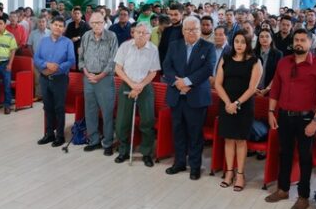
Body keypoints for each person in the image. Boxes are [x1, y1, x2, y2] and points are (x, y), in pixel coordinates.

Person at [265, 29, 316, 209]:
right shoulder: (283, 63)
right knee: (284, 154)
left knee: (305, 158)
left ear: (311, 43)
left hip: (307, 119)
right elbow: (275, 90)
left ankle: (303, 196)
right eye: (296, 40)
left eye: (303, 40)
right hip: (284, 116)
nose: (299, 43)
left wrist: (315, 122)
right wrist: (271, 112)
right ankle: (283, 189)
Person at [162, 16, 216, 180]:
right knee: (177, 131)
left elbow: (208, 68)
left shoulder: (208, 47)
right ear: (183, 31)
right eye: (188, 29)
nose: (191, 32)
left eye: (194, 29)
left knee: (195, 133)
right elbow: (167, 66)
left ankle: (194, 166)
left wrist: (187, 81)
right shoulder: (174, 45)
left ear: (200, 30)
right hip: (176, 95)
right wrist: (177, 83)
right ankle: (179, 162)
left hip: (197, 97)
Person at [214, 30, 262, 191]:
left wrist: (236, 103)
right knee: (228, 139)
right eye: (236, 41)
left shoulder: (255, 61)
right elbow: (218, 84)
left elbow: (252, 88)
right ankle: (229, 172)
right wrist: (228, 103)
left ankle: (240, 174)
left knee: (241, 140)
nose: (239, 45)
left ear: (248, 44)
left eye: (242, 42)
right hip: (226, 104)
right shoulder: (226, 58)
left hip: (244, 105)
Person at [113, 24, 160, 166]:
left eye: (144, 33)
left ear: (149, 36)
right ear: (133, 33)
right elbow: (118, 68)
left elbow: (153, 72)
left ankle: (146, 153)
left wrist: (140, 86)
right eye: (138, 32)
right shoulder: (125, 47)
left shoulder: (153, 49)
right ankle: (123, 151)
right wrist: (132, 84)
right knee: (122, 121)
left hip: (145, 87)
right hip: (127, 85)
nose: (140, 35)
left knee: (147, 121)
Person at [79, 12, 118, 156]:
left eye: (100, 22)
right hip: (88, 78)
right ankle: (93, 140)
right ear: (90, 24)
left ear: (104, 22)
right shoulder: (86, 36)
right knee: (90, 111)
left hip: (105, 79)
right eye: (94, 23)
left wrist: (100, 75)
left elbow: (113, 60)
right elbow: (81, 58)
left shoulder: (111, 37)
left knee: (107, 112)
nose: (97, 25)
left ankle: (108, 142)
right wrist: (87, 73)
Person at [34, 17, 75, 147]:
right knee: (48, 107)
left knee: (59, 107)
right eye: (56, 24)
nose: (58, 27)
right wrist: (46, 65)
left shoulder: (68, 42)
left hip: (60, 79)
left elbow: (71, 60)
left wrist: (57, 68)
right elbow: (36, 58)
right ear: (51, 26)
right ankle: (49, 134)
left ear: (64, 28)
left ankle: (60, 136)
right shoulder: (43, 41)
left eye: (61, 26)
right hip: (44, 78)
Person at [254, 28, 282, 98]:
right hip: (253, 89)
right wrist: (254, 88)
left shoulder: (278, 54)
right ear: (258, 39)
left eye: (267, 36)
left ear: (271, 38)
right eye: (262, 36)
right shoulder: (253, 53)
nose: (264, 39)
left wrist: (267, 89)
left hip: (270, 90)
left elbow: (277, 74)